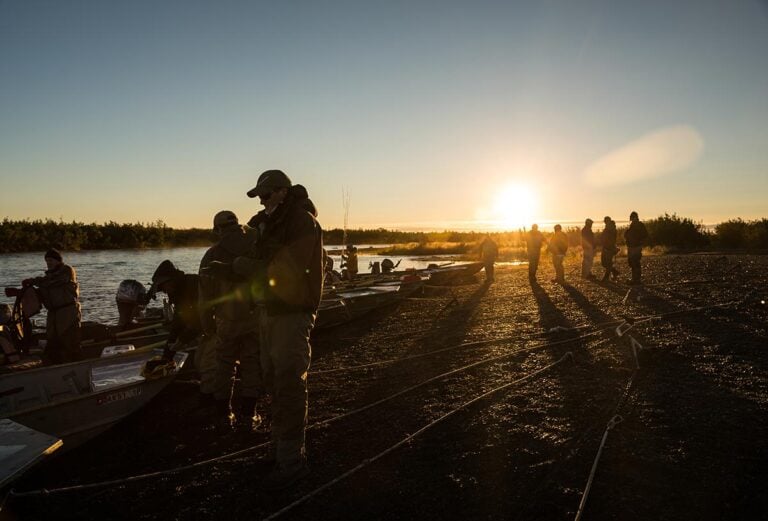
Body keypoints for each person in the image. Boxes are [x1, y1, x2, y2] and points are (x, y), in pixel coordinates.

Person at [233, 169, 323, 489]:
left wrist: (247, 267)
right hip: (268, 312)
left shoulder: (302, 222)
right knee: (271, 382)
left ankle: (292, 462)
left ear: (283, 192)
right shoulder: (265, 225)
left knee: (288, 384)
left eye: (267, 194)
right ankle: (278, 450)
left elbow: (288, 271)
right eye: (258, 195)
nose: (262, 200)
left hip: (292, 313)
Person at [199, 210, 263, 432]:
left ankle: (224, 414)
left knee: (224, 365)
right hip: (255, 316)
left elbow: (205, 296)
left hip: (226, 319)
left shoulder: (212, 254)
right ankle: (249, 413)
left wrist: (207, 325)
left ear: (217, 229)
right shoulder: (255, 246)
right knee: (251, 363)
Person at [151, 260, 215, 394]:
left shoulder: (195, 285)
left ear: (171, 280)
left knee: (206, 364)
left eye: (163, 287)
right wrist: (166, 358)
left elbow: (200, 319)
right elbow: (177, 325)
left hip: (221, 324)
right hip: (209, 329)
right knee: (198, 361)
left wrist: (182, 340)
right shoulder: (178, 292)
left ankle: (213, 398)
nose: (164, 291)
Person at [22, 249, 81, 364]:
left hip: (68, 311)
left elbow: (54, 282)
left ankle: (72, 361)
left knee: (67, 338)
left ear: (58, 261)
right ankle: (54, 361)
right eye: (47, 261)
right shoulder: (47, 278)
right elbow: (43, 289)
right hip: (53, 313)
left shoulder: (67, 271)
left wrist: (33, 281)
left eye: (51, 260)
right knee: (52, 339)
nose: (49, 263)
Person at [625, 211, 649, 285]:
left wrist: (640, 242)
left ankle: (637, 280)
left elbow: (645, 235)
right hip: (632, 246)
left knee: (635, 262)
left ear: (635, 217)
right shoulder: (633, 225)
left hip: (637, 246)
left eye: (633, 217)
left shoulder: (640, 225)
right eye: (631, 218)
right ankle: (634, 279)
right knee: (632, 262)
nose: (632, 219)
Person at [600, 216, 620, 282]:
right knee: (604, 263)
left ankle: (606, 278)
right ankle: (615, 272)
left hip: (609, 248)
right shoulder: (608, 228)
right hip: (606, 247)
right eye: (605, 221)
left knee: (608, 263)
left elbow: (610, 239)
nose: (605, 222)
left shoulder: (611, 228)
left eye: (606, 221)